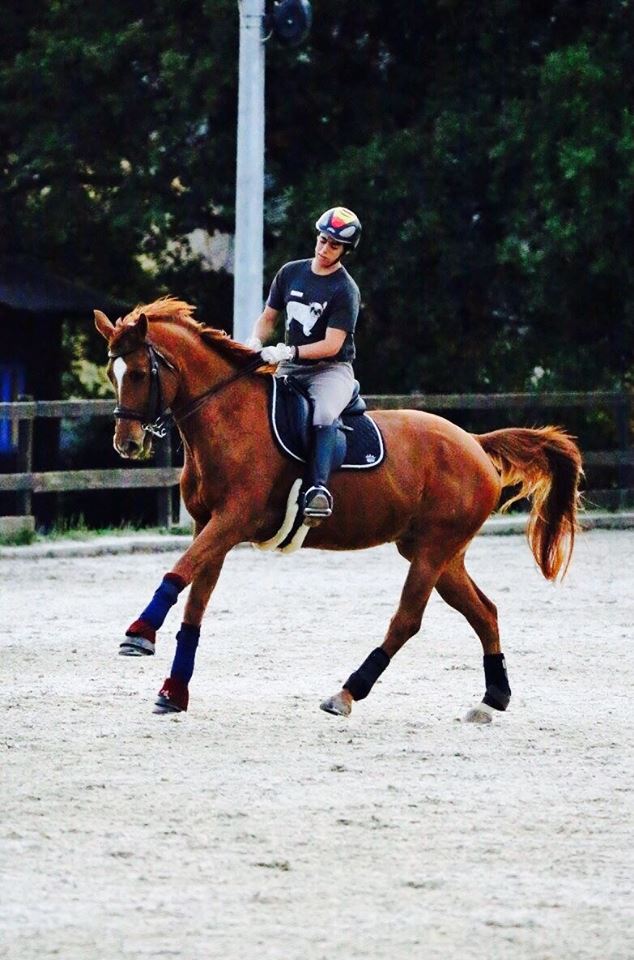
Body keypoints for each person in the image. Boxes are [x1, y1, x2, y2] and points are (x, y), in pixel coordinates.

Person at [247, 206, 362, 524]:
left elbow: (333, 344)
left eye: (334, 245)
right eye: (323, 240)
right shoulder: (290, 272)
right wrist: (255, 342)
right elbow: (269, 319)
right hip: (289, 366)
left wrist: (288, 353)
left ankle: (318, 491)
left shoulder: (345, 289)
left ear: (344, 250)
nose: (325, 249)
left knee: (324, 413)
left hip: (330, 370)